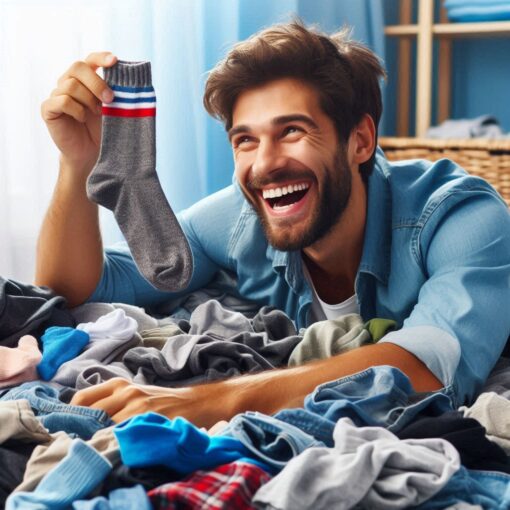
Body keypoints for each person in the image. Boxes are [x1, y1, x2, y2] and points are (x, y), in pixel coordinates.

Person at [36, 22, 510, 427]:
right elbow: (78, 288)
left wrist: (204, 400)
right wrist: (76, 165)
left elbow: (429, 364)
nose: (266, 165)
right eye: (245, 140)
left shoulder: (461, 217)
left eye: (292, 131)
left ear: (360, 140)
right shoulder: (240, 219)